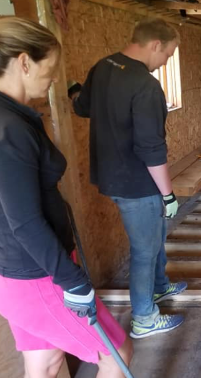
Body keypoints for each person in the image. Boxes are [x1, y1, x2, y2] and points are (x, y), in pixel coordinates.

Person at [0, 17, 133, 377]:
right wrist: (71, 279)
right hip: (38, 275)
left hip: (22, 272)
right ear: (24, 62)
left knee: (44, 362)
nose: (56, 77)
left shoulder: (14, 118)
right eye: (52, 68)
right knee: (116, 352)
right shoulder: (9, 129)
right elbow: (25, 223)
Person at [72, 18, 186, 339]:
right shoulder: (145, 85)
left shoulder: (103, 66)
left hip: (113, 176)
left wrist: (72, 89)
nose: (166, 61)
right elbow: (151, 148)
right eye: (168, 54)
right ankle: (144, 318)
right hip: (138, 184)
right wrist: (168, 194)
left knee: (155, 236)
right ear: (155, 45)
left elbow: (82, 107)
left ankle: (160, 287)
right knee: (144, 250)